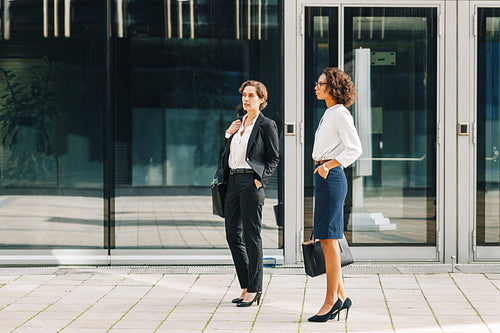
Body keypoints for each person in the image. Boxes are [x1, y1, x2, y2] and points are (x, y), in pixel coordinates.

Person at [308, 68, 362, 322]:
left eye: (320, 84)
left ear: (332, 87)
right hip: (324, 176)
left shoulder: (340, 113)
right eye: (317, 83)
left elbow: (355, 149)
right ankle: (342, 296)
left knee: (329, 241)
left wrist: (328, 166)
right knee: (326, 239)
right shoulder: (330, 113)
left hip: (331, 176)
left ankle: (331, 301)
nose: (316, 87)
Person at [222, 80, 279, 307]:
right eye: (244, 95)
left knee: (251, 236)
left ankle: (255, 289)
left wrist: (260, 180)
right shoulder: (238, 123)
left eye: (251, 96)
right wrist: (228, 135)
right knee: (232, 235)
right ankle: (245, 285)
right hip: (234, 181)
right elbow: (227, 155)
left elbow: (274, 158)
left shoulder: (266, 125)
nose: (246, 99)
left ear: (261, 100)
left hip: (250, 182)